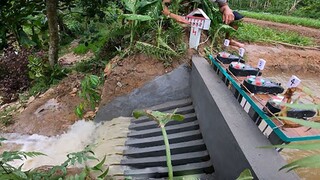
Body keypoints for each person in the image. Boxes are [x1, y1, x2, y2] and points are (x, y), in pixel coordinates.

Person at [162, 0, 244, 48]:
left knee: (236, 16)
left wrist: (227, 9)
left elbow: (223, 5)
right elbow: (162, 6)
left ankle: (228, 40)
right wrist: (174, 16)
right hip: (182, 13)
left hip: (206, 13)